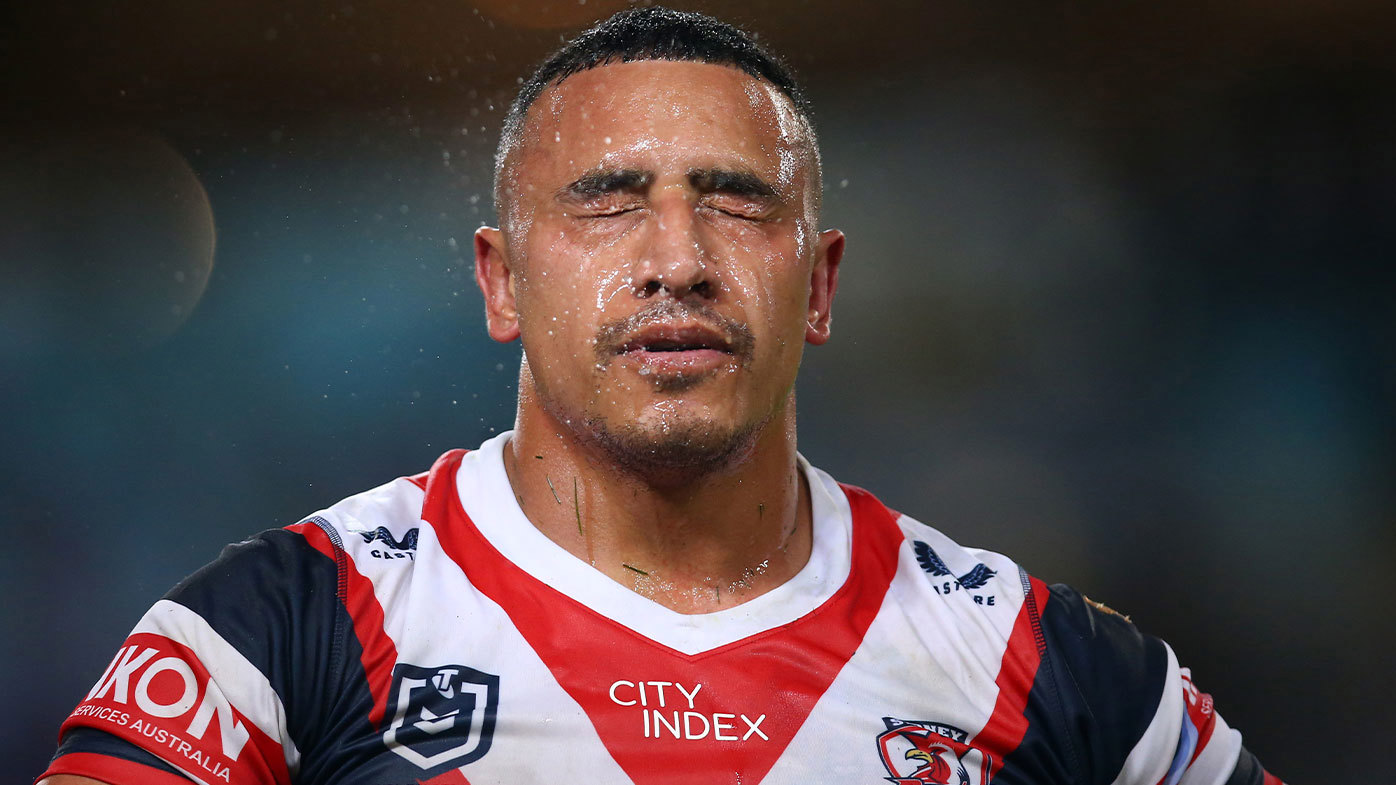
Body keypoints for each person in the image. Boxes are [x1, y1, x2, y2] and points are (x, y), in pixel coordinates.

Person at [37, 7, 1286, 785]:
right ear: (501, 279)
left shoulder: (1048, 663)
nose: (678, 257)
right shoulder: (280, 628)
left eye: (737, 200)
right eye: (608, 199)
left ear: (820, 283)